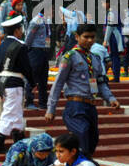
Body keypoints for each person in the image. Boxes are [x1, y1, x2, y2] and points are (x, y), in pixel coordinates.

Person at [46, 23, 120, 158]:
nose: (90, 40)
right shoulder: (70, 57)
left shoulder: (95, 59)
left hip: (90, 106)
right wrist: (51, 108)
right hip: (75, 106)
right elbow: (58, 83)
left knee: (93, 139)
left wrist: (111, 98)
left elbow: (99, 82)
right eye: (86, 37)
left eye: (92, 37)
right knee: (83, 136)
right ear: (77, 37)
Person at [0, 16, 34, 153]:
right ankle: (0, 144)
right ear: (17, 30)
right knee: (10, 112)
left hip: (3, 82)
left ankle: (18, 142)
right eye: (21, 29)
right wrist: (32, 82)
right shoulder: (20, 46)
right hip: (14, 82)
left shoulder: (0, 47)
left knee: (15, 112)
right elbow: (26, 67)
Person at [24, 8, 51, 110]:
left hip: (44, 51)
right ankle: (29, 101)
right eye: (51, 10)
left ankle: (43, 103)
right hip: (35, 51)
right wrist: (27, 50)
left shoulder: (46, 21)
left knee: (44, 78)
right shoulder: (36, 21)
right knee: (33, 77)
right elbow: (29, 37)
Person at [102, 0, 124, 82]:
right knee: (112, 57)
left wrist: (105, 40)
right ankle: (114, 75)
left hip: (113, 37)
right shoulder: (113, 11)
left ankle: (116, 76)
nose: (102, 5)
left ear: (108, 3)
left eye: (103, 3)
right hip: (114, 36)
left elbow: (109, 27)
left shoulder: (111, 12)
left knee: (114, 57)